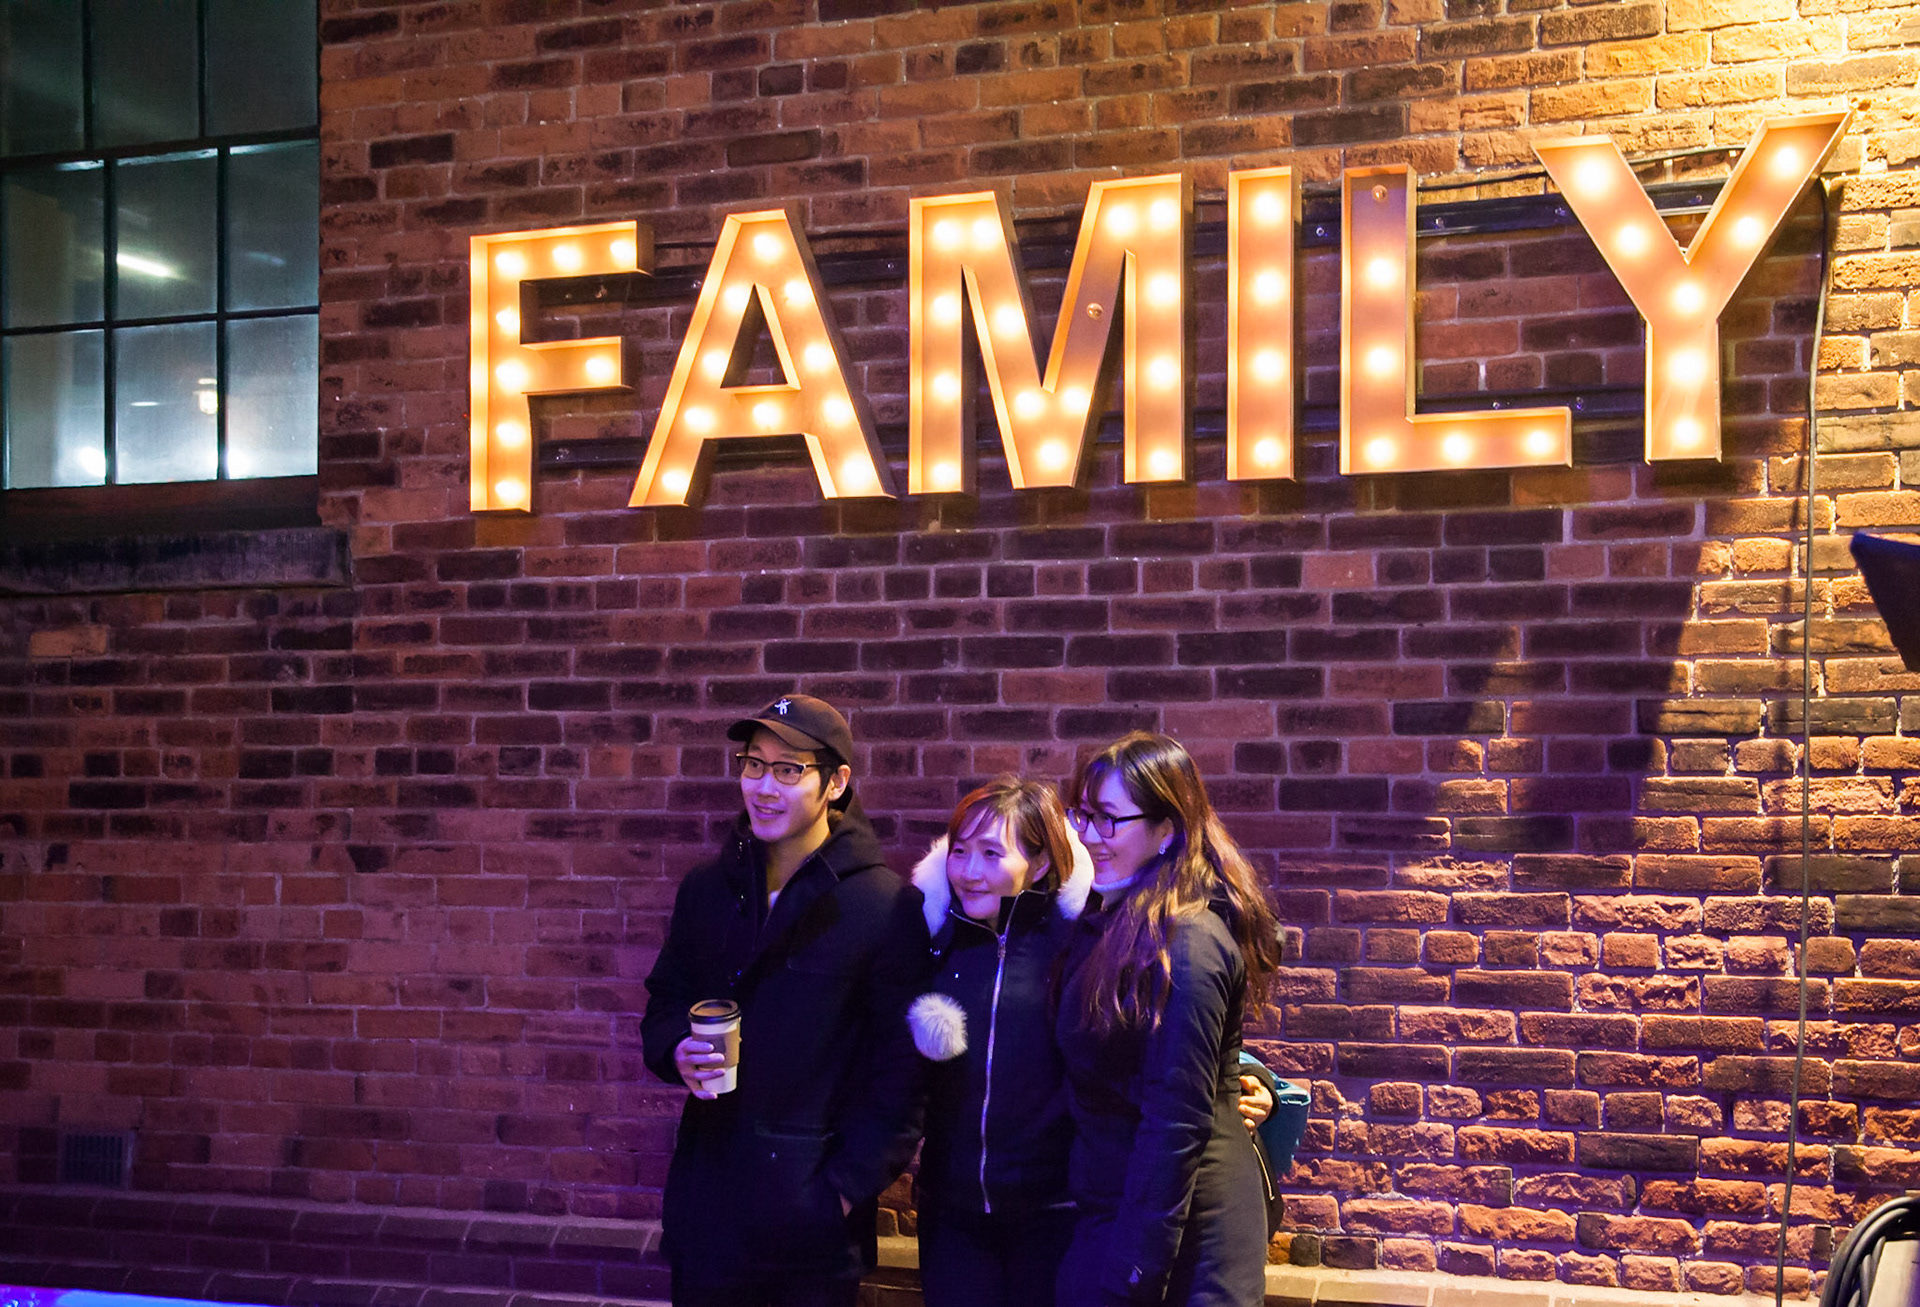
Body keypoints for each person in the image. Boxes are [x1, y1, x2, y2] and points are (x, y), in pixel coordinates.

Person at [907, 776, 1276, 1307]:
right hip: (953, 1213)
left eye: (991, 853)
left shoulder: (1080, 943)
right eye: (959, 851)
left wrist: (1251, 1079)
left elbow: (1157, 1045)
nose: (969, 871)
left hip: (1055, 1213)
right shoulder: (930, 942)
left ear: (1038, 864)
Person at [641, 694, 931, 1307]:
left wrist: (842, 1192)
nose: (764, 787)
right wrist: (676, 1049)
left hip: (810, 1232)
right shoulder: (707, 890)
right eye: (753, 764)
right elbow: (665, 1002)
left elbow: (903, 1076)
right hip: (707, 1210)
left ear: (836, 783)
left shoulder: (883, 906)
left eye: (789, 769)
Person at [1053, 733, 1284, 1307]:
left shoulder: (1188, 941)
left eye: (1109, 820)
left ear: (1167, 830)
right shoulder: (1115, 921)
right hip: (1128, 1209)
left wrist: (1134, 1273)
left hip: (1189, 1230)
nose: (1089, 836)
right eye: (1084, 815)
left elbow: (1175, 1121)